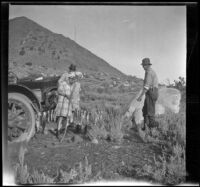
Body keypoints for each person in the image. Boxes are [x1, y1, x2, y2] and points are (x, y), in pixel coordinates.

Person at [54, 64, 76, 139]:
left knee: (67, 116)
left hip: (69, 100)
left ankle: (63, 130)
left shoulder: (74, 78)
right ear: (69, 69)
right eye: (71, 69)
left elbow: (74, 88)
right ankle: (58, 131)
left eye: (73, 70)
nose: (72, 71)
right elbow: (59, 83)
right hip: (63, 100)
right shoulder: (65, 76)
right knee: (60, 116)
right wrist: (65, 92)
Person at [137, 58, 159, 131]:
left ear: (147, 65)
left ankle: (155, 130)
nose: (143, 67)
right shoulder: (149, 71)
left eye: (144, 65)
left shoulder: (149, 72)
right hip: (151, 92)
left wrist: (140, 96)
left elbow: (146, 86)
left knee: (150, 112)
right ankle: (146, 128)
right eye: (143, 65)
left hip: (151, 92)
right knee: (145, 110)